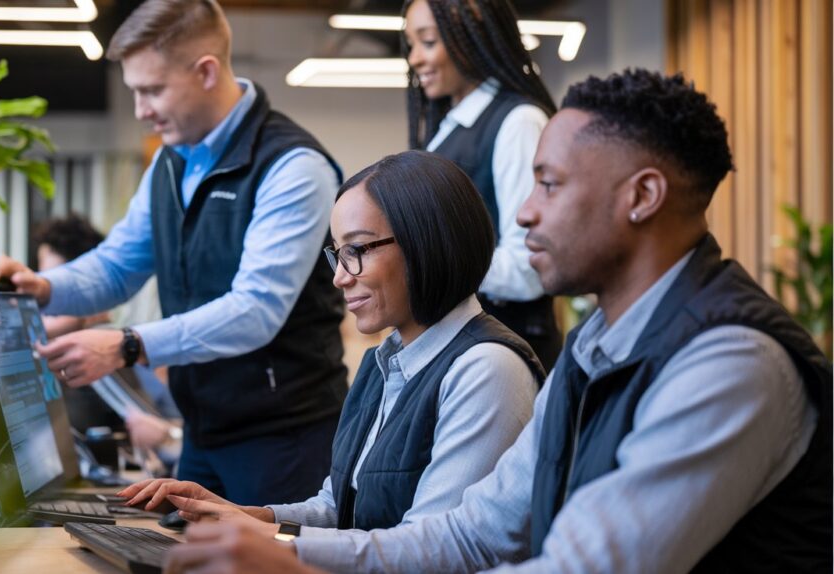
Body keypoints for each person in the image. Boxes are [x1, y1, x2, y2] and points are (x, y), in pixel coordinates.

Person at [163, 69, 832, 574]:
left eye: (549, 183)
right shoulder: (594, 347)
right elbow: (474, 532)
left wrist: (296, 565)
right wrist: (276, 541)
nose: (524, 213)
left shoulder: (731, 362)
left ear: (643, 197)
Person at [0, 0, 349, 506]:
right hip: (203, 433)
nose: (140, 110)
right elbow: (119, 264)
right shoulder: (170, 165)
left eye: (152, 90)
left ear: (207, 71)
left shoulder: (293, 168)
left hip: (284, 440)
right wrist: (44, 287)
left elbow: (256, 311)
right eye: (134, 91)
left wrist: (127, 345)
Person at [119, 151, 543, 540]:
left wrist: (268, 542)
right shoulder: (387, 362)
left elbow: (431, 550)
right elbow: (337, 508)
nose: (340, 276)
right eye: (337, 254)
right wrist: (247, 517)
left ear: (427, 242)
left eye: (356, 250)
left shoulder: (488, 369)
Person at [403, 0, 561, 369]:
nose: (414, 59)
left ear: (472, 38)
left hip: (505, 356)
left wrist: (426, 262)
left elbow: (528, 270)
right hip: (464, 351)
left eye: (427, 42)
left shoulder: (518, 122)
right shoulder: (449, 126)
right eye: (410, 44)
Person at [33, 213, 182, 456]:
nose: (42, 302)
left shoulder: (100, 351)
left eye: (57, 284)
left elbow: (161, 433)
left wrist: (168, 436)